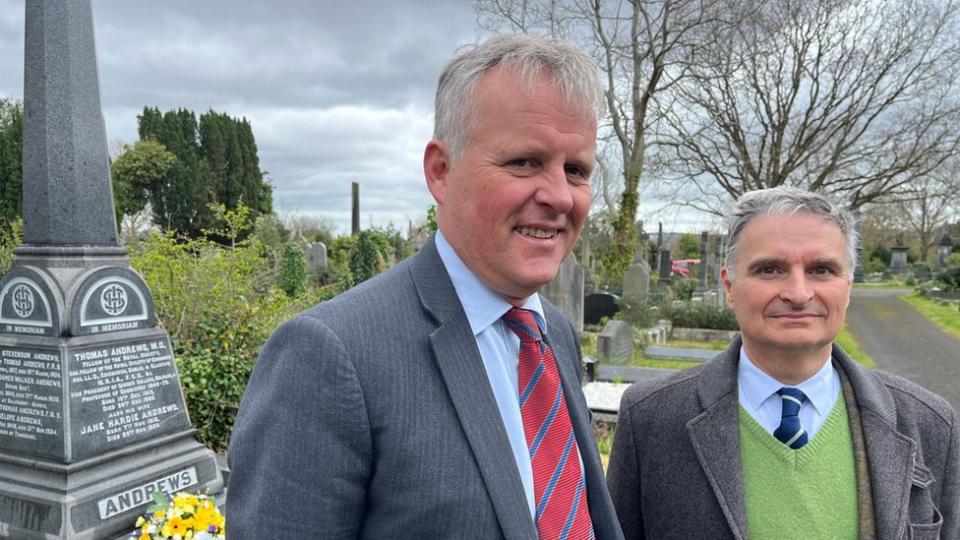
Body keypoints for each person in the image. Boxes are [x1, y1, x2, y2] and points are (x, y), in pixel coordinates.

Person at [227, 34, 623, 539]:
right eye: (524, 162)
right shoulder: (328, 355)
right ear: (440, 171)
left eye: (576, 170)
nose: (560, 197)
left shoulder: (555, 336)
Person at [606, 187, 959, 539]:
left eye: (822, 269)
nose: (798, 293)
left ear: (848, 287)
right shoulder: (650, 418)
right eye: (770, 269)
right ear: (729, 286)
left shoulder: (929, 423)